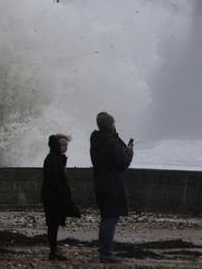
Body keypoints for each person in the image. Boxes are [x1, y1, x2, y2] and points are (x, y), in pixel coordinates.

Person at [90, 112, 134, 262]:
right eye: (113, 124)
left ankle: (103, 250)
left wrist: (114, 136)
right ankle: (106, 253)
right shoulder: (110, 142)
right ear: (110, 125)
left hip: (99, 184)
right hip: (112, 185)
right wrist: (130, 152)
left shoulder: (95, 139)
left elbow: (113, 151)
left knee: (105, 218)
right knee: (111, 218)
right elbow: (123, 162)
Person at [41, 133, 81, 261]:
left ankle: (54, 250)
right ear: (56, 145)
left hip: (55, 196)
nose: (65, 147)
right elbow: (55, 180)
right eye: (62, 145)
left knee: (55, 223)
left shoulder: (57, 157)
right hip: (52, 197)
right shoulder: (52, 159)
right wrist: (63, 194)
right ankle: (53, 252)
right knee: (53, 224)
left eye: (66, 145)